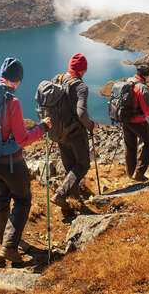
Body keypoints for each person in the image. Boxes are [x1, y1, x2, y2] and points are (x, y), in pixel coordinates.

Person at [0, 57, 51, 263]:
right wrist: (42, 128)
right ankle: (10, 246)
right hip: (10, 162)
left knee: (2, 193)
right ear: (18, 80)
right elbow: (22, 139)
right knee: (23, 200)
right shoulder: (11, 102)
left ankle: (0, 234)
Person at [51, 53, 98, 210]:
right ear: (82, 70)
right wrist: (91, 126)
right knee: (83, 165)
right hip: (75, 134)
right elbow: (81, 114)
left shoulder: (57, 79)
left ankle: (75, 200)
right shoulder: (80, 87)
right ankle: (61, 194)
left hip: (59, 132)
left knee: (70, 167)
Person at [122, 65, 149, 181]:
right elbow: (148, 110)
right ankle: (139, 174)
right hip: (137, 121)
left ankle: (130, 174)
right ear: (147, 75)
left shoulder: (129, 81)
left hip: (125, 119)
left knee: (130, 146)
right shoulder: (142, 88)